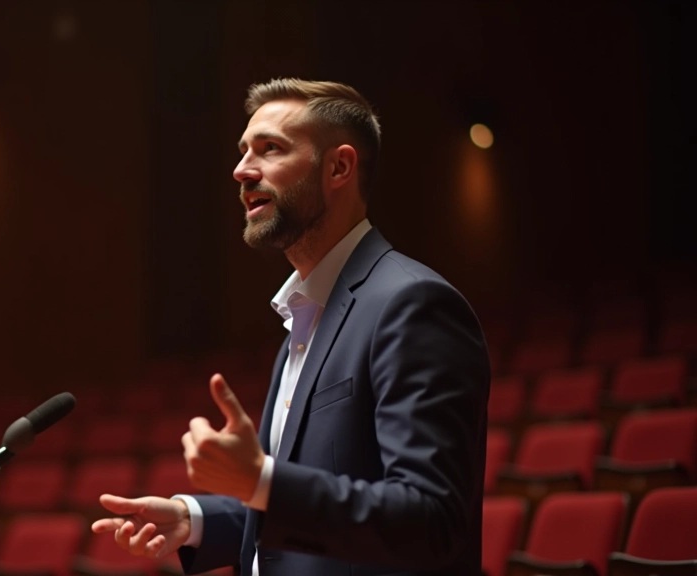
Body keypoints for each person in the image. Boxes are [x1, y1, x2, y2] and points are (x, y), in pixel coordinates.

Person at [92, 78, 491, 576]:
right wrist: (194, 519)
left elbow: (431, 521)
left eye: (270, 148)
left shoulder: (411, 305)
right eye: (243, 151)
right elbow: (295, 506)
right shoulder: (306, 314)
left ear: (338, 167)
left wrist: (260, 482)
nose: (241, 169)